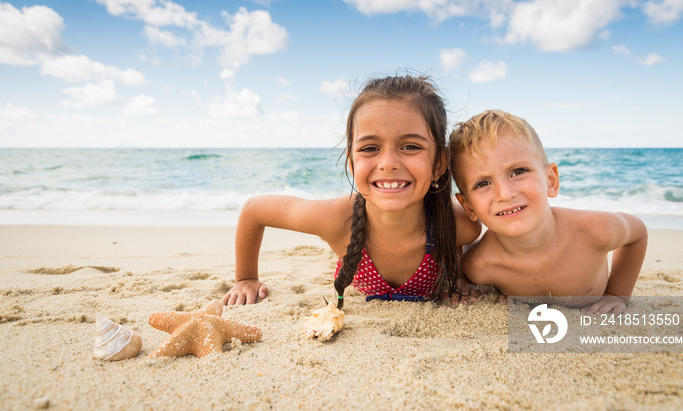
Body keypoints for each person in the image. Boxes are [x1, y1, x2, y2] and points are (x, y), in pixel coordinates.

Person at [223, 75, 481, 307]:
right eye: (370, 148)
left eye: (411, 146)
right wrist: (246, 278)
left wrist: (461, 276)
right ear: (352, 162)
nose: (388, 163)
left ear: (438, 163)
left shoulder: (459, 225)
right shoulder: (336, 220)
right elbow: (253, 210)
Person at [449, 110, 647, 314]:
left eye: (518, 171)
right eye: (483, 183)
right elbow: (458, 262)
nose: (505, 194)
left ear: (550, 181)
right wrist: (461, 281)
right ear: (469, 207)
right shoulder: (480, 265)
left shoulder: (594, 230)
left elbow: (637, 232)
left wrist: (617, 295)